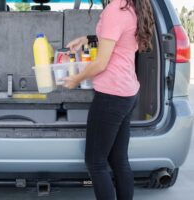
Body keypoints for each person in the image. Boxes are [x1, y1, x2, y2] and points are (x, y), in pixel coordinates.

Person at [63, 0, 155, 199]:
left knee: (96, 162)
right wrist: (87, 39)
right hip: (127, 92)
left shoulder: (115, 9)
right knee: (118, 159)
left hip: (111, 95)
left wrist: (76, 79)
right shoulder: (130, 6)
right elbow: (116, 39)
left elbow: (101, 63)